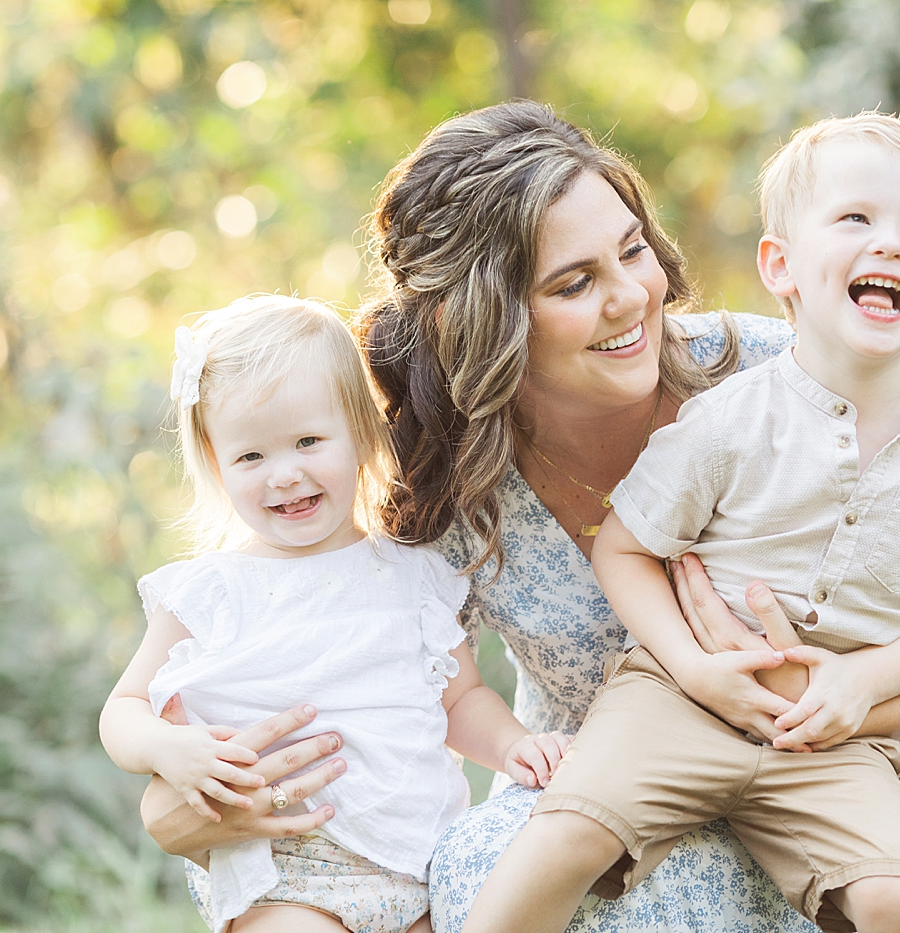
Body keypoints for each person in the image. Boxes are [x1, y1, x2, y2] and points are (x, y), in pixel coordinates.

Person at [142, 101, 900, 933]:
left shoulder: (785, 377)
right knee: (485, 866)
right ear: (487, 317)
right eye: (574, 282)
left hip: (824, 771)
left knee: (720, 887)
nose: (631, 298)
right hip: (607, 778)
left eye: (633, 250)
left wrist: (825, 699)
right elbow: (351, 673)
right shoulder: (450, 483)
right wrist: (178, 805)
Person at [459, 113, 900, 933]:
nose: (889, 244)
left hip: (835, 738)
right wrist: (695, 668)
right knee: (560, 843)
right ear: (781, 266)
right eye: (855, 218)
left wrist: (859, 683)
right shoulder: (727, 417)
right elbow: (625, 548)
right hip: (674, 702)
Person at [99, 296, 567, 933]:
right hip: (285, 866)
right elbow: (122, 710)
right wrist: (167, 746)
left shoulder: (414, 575)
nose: (284, 475)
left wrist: (514, 745)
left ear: (361, 434)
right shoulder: (212, 591)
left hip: (418, 858)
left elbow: (459, 703)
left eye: (308, 442)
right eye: (251, 457)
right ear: (216, 463)